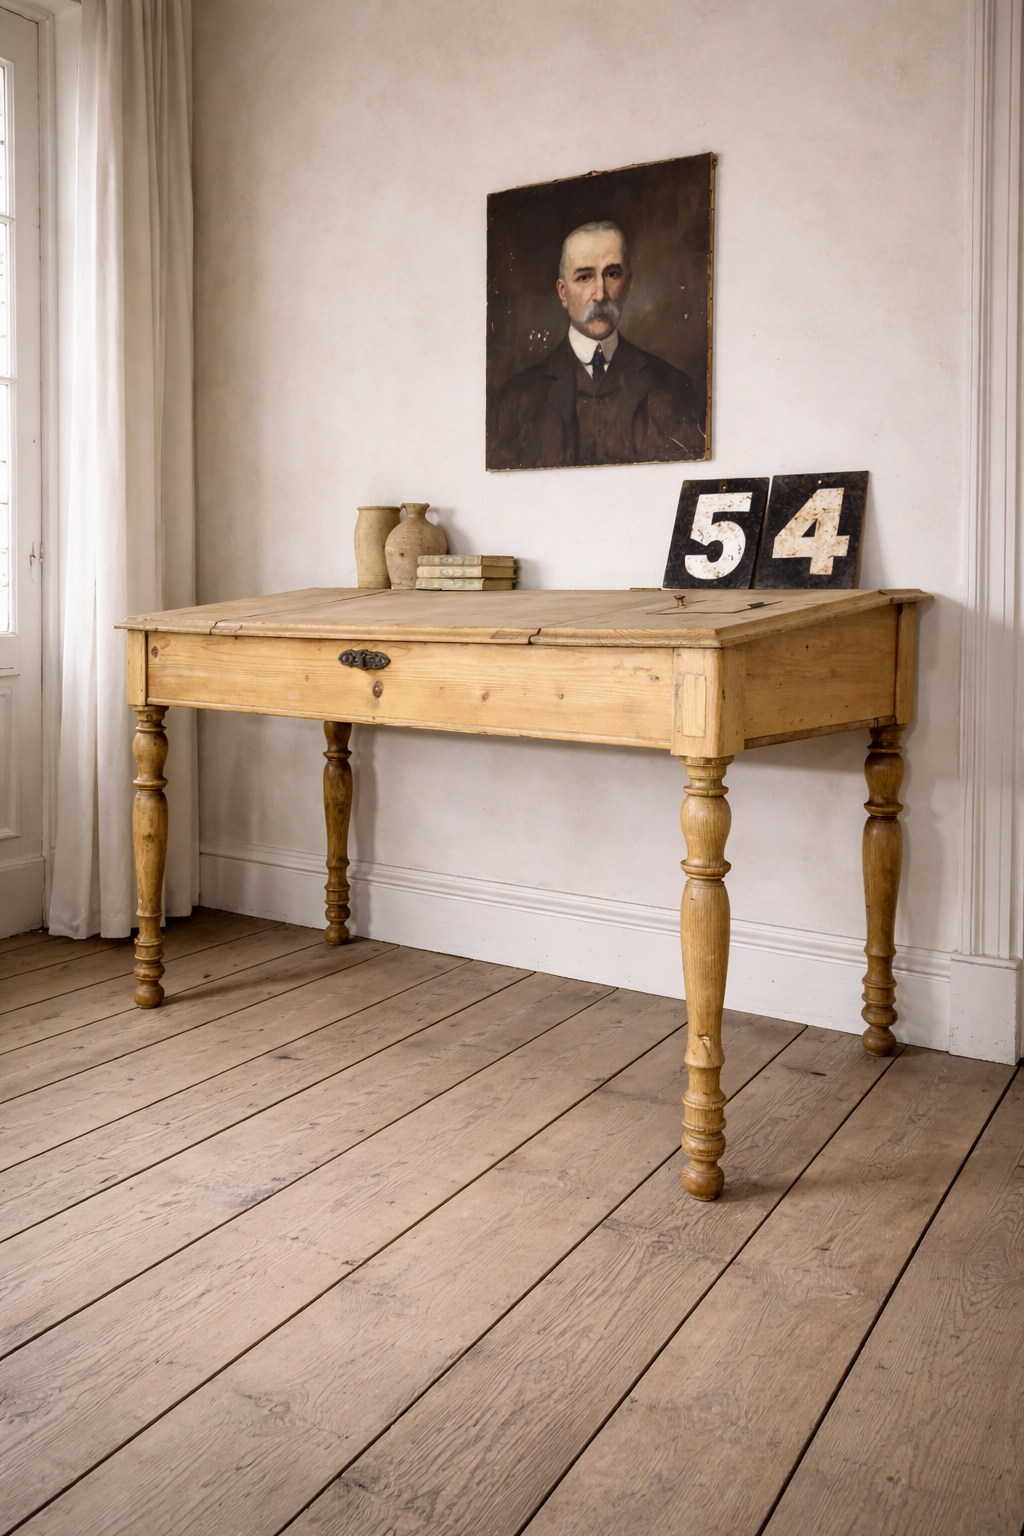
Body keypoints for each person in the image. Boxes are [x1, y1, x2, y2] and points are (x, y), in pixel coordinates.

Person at [490, 221, 705, 470]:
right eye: (584, 277)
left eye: (612, 274)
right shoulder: (515, 397)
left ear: (627, 284)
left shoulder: (677, 388)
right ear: (563, 292)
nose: (600, 294)